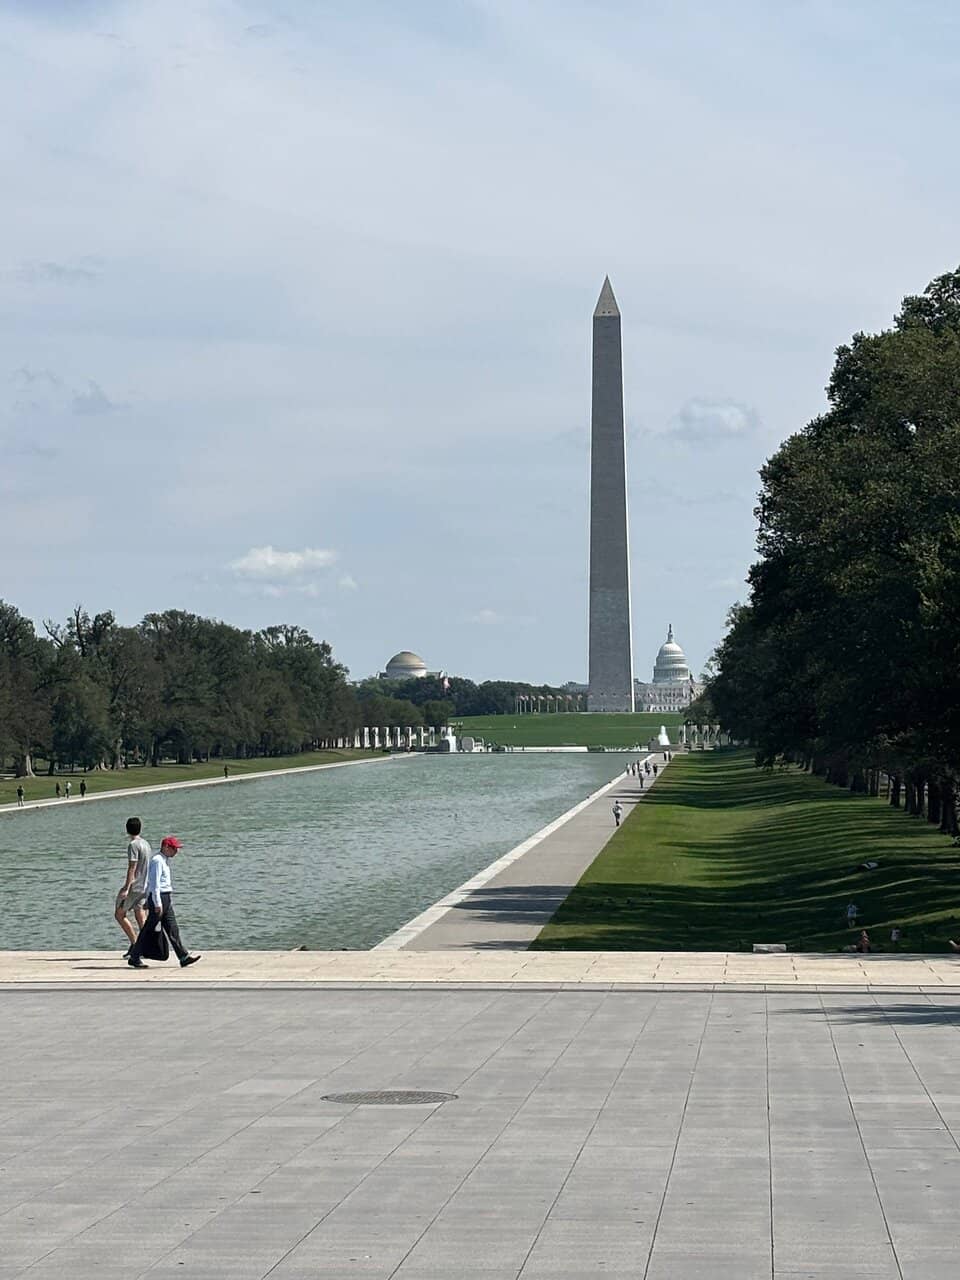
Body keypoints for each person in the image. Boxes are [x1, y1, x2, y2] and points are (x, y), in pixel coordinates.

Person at [128, 836, 200, 970]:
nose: (176, 852)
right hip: (160, 897)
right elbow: (154, 884)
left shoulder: (164, 860)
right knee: (148, 929)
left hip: (165, 897)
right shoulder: (157, 861)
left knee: (172, 928)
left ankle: (183, 956)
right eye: (174, 848)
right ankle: (135, 956)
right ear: (166, 847)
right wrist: (157, 903)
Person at [115, 817, 151, 956]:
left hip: (135, 887)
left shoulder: (133, 845)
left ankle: (135, 943)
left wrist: (126, 888)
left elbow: (132, 867)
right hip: (145, 886)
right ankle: (146, 945)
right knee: (140, 914)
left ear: (127, 829)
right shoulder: (146, 844)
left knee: (119, 914)